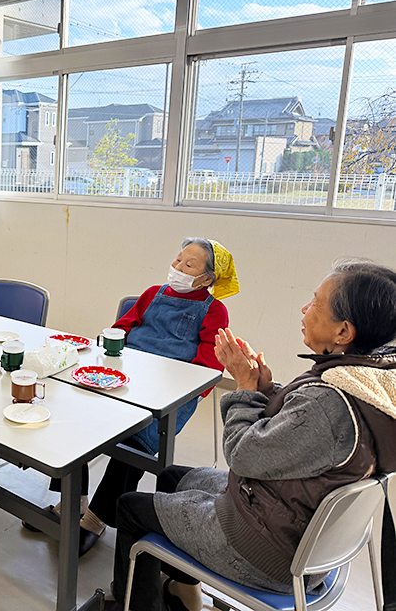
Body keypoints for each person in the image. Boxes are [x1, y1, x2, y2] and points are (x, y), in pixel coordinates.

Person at [107, 261, 396, 611]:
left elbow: (242, 455)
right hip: (296, 520)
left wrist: (244, 386)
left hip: (265, 549)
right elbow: (299, 431)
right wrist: (267, 390)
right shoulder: (368, 379)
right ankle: (185, 593)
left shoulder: (329, 403)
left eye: (316, 302)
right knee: (170, 476)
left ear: (343, 332)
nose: (305, 309)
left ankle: (136, 605)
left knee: (130, 508)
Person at [26, 238, 238, 557]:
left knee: (133, 443)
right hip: (123, 376)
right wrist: (108, 351)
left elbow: (209, 365)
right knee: (73, 416)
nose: (178, 268)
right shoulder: (152, 294)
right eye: (178, 259)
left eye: (189, 264)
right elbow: (121, 329)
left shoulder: (214, 311)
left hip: (169, 393)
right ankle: (73, 501)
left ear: (208, 278)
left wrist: (177, 387)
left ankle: (96, 519)